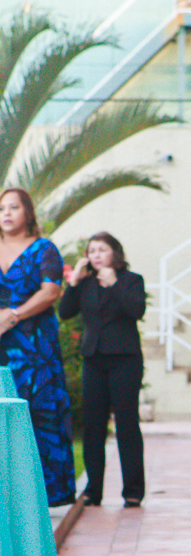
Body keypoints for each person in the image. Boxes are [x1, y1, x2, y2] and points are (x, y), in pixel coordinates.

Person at [0, 186, 76, 506]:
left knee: (40, 412)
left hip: (35, 345)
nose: (6, 213)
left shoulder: (44, 249)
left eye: (13, 207)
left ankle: (48, 492)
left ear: (28, 213)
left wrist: (13, 316)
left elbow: (50, 292)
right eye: (2, 208)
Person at [60, 232, 146, 507]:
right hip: (94, 359)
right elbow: (65, 312)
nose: (96, 254)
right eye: (92, 250)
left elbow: (137, 310)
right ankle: (93, 490)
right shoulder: (85, 284)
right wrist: (73, 282)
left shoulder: (132, 280)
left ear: (115, 253)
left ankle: (133, 490)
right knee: (93, 426)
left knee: (126, 424)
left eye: (102, 249)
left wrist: (115, 285)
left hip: (125, 360)